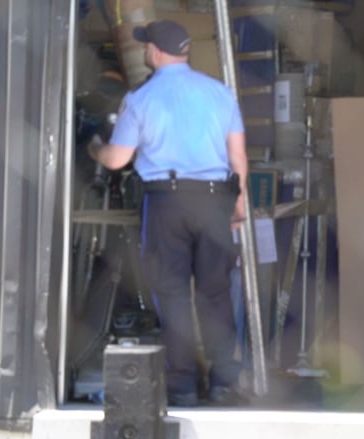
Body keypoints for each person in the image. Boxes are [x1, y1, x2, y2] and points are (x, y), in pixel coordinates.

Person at [88, 19, 248, 407]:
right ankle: (224, 381)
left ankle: (182, 386)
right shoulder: (220, 93)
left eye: (146, 46)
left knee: (173, 294)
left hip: (166, 202)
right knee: (215, 292)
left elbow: (118, 159)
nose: (144, 51)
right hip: (214, 200)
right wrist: (239, 203)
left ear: (156, 53)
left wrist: (95, 148)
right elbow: (237, 155)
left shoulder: (140, 99)